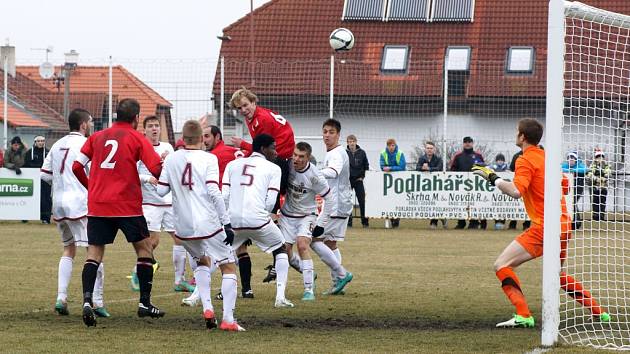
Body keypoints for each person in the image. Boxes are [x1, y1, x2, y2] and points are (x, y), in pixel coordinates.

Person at [473, 118, 609, 328]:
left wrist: (493, 178)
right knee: (556, 274)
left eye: (517, 131)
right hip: (564, 225)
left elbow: (517, 191)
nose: (515, 134)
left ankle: (524, 315)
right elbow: (564, 186)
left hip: (544, 227)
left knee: (501, 265)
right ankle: (599, 312)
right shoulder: (548, 157)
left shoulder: (524, 159)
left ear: (523, 137)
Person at [72, 98, 165, 327]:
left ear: (115, 115)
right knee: (144, 250)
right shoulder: (136, 137)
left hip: (99, 203)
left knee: (93, 254)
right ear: (135, 118)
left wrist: (91, 186)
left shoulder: (97, 137)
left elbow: (76, 166)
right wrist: (165, 166)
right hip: (127, 205)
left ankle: (87, 300)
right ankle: (144, 303)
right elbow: (156, 169)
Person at [156, 120, 244, 332]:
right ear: (200, 140)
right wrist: (227, 223)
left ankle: (207, 308)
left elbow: (160, 191)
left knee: (202, 263)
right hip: (208, 222)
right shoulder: (209, 158)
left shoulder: (171, 159)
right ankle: (228, 319)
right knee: (228, 265)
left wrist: (150, 177)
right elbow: (214, 192)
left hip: (183, 226)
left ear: (183, 139)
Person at [40, 108, 109, 318]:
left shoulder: (58, 144)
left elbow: (44, 174)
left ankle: (61, 298)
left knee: (68, 249)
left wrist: (61, 184)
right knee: (95, 251)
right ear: (83, 125)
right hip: (80, 204)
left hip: (59, 204)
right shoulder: (87, 144)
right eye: (90, 122)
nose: (91, 125)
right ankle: (97, 301)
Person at [222, 134, 294, 308]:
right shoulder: (273, 168)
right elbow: (270, 202)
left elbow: (224, 196)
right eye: (273, 148)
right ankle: (280, 297)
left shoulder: (232, 165)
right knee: (280, 248)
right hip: (258, 220)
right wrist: (262, 215)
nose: (276, 152)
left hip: (234, 220)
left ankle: (196, 296)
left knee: (218, 254)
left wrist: (227, 220)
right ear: (263, 149)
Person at [188, 125, 252, 305]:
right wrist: (245, 145)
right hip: (237, 205)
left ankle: (197, 294)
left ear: (217, 137)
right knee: (238, 249)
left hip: (220, 209)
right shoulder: (233, 151)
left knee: (215, 252)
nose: (204, 140)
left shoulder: (212, 156)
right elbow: (256, 154)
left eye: (207, 136)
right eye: (202, 136)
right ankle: (246, 289)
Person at [131, 115, 195, 293]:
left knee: (180, 239)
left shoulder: (168, 148)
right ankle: (137, 271)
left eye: (157, 126)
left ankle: (179, 281)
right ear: (144, 130)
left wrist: (169, 160)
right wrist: (147, 178)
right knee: (152, 241)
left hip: (168, 202)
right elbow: (131, 174)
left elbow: (176, 170)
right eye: (150, 126)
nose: (154, 129)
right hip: (150, 203)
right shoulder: (139, 148)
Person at [279, 142, 336, 301]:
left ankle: (309, 289)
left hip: (306, 215)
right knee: (285, 252)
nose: (296, 159)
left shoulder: (315, 176)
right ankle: (308, 272)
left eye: (301, 157)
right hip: (287, 216)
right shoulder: (287, 166)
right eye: (295, 155)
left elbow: (329, 199)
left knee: (302, 245)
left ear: (308, 158)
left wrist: (321, 223)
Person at [317, 119, 354, 295]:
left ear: (338, 135)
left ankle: (342, 274)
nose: (327, 135)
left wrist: (312, 172)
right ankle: (338, 282)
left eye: (331, 132)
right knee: (330, 243)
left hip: (336, 204)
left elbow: (333, 172)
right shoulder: (334, 152)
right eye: (325, 131)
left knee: (314, 239)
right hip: (337, 203)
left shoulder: (336, 153)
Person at [451, 136, 485, 229]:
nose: (467, 143)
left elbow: (483, 168)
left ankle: (474, 222)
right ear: (463, 143)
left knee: (474, 203)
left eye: (469, 142)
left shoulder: (478, 155)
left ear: (472, 143)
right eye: (465, 142)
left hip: (475, 185)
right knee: (460, 203)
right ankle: (461, 222)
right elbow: (453, 169)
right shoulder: (458, 156)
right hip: (461, 184)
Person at [416, 141, 445, 229]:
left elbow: (439, 168)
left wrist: (429, 169)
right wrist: (422, 168)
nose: (429, 150)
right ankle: (441, 218)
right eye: (428, 148)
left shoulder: (438, 159)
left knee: (436, 203)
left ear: (434, 149)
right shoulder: (421, 158)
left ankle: (434, 222)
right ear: (425, 149)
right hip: (425, 185)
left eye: (431, 148)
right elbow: (417, 168)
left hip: (437, 184)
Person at [25, 136, 52, 224]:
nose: (41, 142)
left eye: (42, 141)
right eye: (39, 141)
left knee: (46, 198)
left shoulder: (48, 152)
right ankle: (25, 216)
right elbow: (26, 164)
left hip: (45, 180)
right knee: (31, 197)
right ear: (35, 142)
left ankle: (46, 218)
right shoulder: (29, 152)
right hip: (33, 179)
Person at [380, 138, 406, 228]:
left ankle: (396, 220)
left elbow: (402, 167)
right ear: (387, 146)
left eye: (393, 145)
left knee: (397, 200)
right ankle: (391, 220)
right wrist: (387, 168)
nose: (391, 147)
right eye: (390, 145)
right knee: (389, 200)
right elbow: (382, 166)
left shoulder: (400, 153)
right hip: (388, 181)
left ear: (395, 145)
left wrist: (390, 168)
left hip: (399, 181)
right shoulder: (383, 153)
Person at [346, 134, 369, 228]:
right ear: (347, 143)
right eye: (349, 142)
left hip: (359, 180)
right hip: (348, 181)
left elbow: (366, 166)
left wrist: (362, 177)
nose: (351, 143)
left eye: (353, 141)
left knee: (362, 201)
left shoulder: (362, 153)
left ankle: (365, 222)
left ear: (356, 142)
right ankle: (349, 222)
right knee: (347, 202)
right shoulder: (344, 153)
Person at [562, 151, 588, 230]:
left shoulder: (580, 166)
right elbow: (560, 168)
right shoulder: (565, 165)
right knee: (572, 204)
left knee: (573, 203)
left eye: (573, 158)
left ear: (576, 160)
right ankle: (574, 222)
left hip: (578, 188)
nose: (571, 160)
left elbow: (584, 170)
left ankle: (576, 223)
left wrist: (572, 171)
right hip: (569, 188)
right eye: (569, 158)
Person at [508, 151, 531, 231]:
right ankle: (513, 223)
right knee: (516, 205)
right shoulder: (517, 156)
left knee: (527, 205)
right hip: (519, 184)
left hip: (526, 185)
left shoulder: (519, 156)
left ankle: (526, 224)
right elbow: (511, 169)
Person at [587, 150, 611, 221]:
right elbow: (589, 174)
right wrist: (596, 179)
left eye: (601, 157)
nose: (599, 159)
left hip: (603, 185)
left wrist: (604, 178)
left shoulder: (606, 165)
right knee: (595, 200)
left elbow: (608, 173)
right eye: (597, 157)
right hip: (594, 185)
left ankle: (601, 216)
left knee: (602, 200)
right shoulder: (592, 165)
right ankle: (595, 216)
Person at [491, 153, 509, 230]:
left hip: (504, 190)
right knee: (496, 207)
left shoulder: (506, 168)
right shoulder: (493, 167)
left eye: (501, 160)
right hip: (495, 191)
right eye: (498, 160)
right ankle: (496, 222)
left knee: (504, 207)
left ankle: (502, 222)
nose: (500, 161)